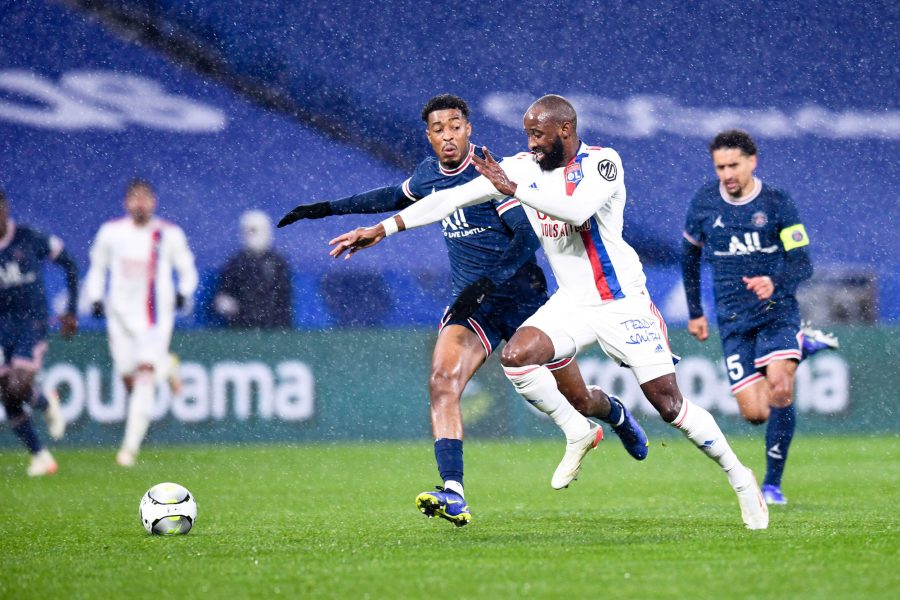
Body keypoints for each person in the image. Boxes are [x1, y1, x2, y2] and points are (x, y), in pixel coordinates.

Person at [330, 94, 770, 530]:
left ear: (565, 130)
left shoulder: (603, 163)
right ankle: (578, 430)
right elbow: (451, 199)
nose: (531, 143)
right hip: (572, 301)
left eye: (538, 135)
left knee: (669, 405)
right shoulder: (521, 168)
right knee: (516, 357)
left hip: (622, 302)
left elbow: (577, 209)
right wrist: (383, 229)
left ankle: (739, 476)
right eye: (527, 135)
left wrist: (513, 188)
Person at [280, 94, 648, 528]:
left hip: (524, 299)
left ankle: (615, 414)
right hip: (473, 306)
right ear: (429, 136)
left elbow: (528, 239)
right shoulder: (428, 175)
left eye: (455, 126)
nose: (448, 135)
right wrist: (325, 209)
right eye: (438, 129)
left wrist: (490, 282)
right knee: (442, 380)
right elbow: (393, 197)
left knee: (579, 397)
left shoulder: (492, 172)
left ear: (468, 129)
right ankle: (453, 491)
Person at [681, 129, 839, 506]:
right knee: (754, 413)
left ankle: (772, 485)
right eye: (720, 167)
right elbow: (688, 258)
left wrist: (774, 281)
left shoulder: (778, 203)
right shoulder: (705, 202)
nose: (727, 173)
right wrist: (695, 313)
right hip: (734, 319)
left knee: (782, 388)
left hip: (776, 312)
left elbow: (803, 262)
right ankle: (803, 346)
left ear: (753, 161)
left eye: (734, 164)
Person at [84, 179, 198, 467]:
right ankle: (167, 366)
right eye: (135, 198)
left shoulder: (167, 234)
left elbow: (187, 268)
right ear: (126, 203)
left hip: (154, 319)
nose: (140, 203)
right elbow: (97, 268)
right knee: (128, 376)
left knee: (144, 376)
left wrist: (184, 291)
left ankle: (128, 450)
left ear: (153, 202)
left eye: (145, 198)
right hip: (120, 317)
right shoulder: (111, 232)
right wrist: (95, 297)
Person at [0, 188, 77, 476]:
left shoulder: (29, 237)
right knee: (7, 394)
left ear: (6, 208)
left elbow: (69, 263)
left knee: (18, 386)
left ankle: (45, 401)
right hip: (1, 325)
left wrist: (70, 309)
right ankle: (40, 455)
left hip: (31, 322)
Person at [214, 210, 293, 328]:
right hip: (241, 328)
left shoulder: (278, 263)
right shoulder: (235, 263)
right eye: (247, 231)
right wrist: (224, 302)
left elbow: (283, 300)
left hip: (273, 328)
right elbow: (224, 292)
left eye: (254, 230)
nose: (250, 235)